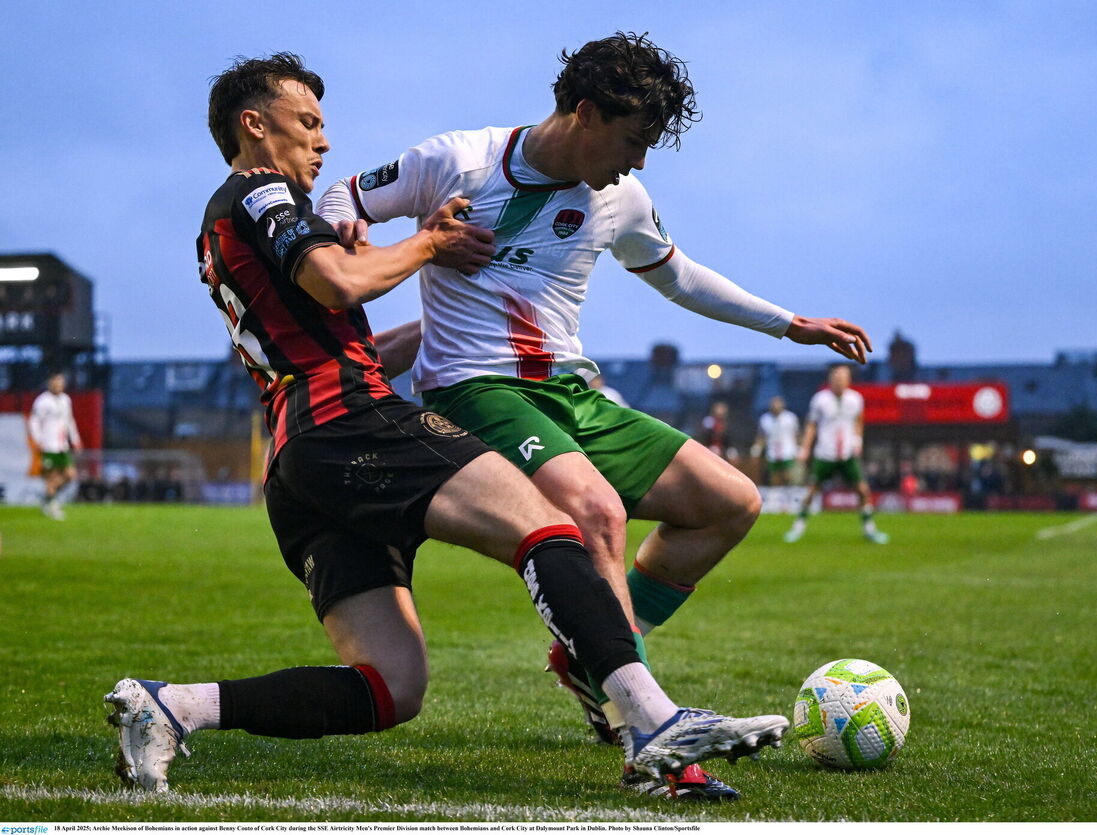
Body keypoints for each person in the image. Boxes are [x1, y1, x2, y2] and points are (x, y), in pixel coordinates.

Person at [102, 53, 787, 795]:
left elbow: (343, 334)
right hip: (349, 421)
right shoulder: (261, 190)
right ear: (253, 124)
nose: (323, 142)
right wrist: (429, 242)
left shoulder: (217, 233)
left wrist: (468, 323)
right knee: (553, 524)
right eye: (308, 123)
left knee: (392, 686)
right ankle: (649, 720)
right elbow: (338, 281)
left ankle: (172, 707)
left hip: (300, 457)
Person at [315, 33, 869, 800]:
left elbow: (677, 275)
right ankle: (650, 732)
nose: (638, 162)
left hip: (572, 392)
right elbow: (343, 194)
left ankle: (593, 656)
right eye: (634, 140)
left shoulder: (620, 197)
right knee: (598, 513)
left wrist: (789, 323)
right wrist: (383, 238)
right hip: (478, 387)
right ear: (584, 113)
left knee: (728, 503)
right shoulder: (461, 160)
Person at [784, 365, 888, 544]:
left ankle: (869, 529)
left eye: (842, 377)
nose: (839, 380)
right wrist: (805, 449)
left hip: (847, 453)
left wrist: (857, 441)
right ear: (830, 379)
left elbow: (859, 421)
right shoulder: (820, 400)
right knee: (811, 491)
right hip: (826, 453)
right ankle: (798, 527)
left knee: (863, 491)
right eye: (836, 377)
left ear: (848, 380)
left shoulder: (855, 399)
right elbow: (811, 425)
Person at [28, 371, 81, 520]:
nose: (58, 385)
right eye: (55, 382)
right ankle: (52, 506)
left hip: (62, 445)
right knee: (52, 477)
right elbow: (34, 421)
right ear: (50, 383)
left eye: (60, 382)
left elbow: (69, 420)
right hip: (48, 445)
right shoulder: (42, 401)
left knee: (70, 475)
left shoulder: (66, 400)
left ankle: (47, 498)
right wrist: (38, 440)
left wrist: (75, 439)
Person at [753, 396, 801, 513]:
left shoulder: (790, 418)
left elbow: (797, 434)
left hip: (788, 452)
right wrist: (757, 448)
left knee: (788, 477)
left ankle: (790, 502)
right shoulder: (765, 419)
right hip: (773, 453)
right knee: (774, 479)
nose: (776, 407)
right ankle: (775, 503)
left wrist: (800, 448)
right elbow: (761, 436)